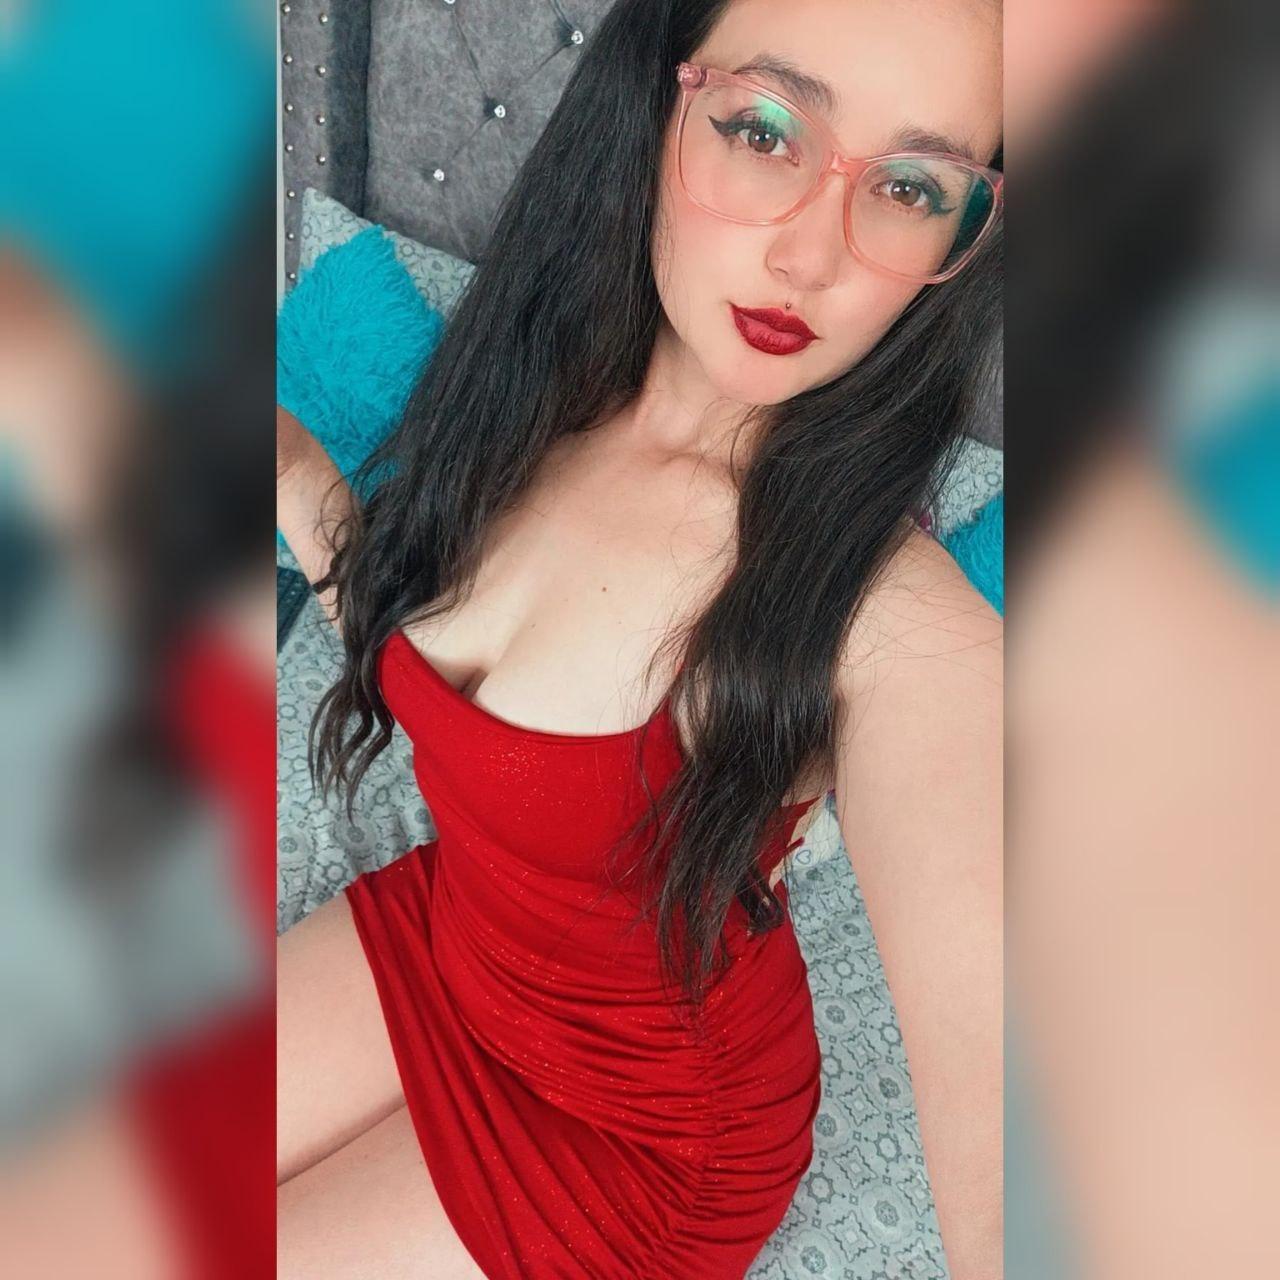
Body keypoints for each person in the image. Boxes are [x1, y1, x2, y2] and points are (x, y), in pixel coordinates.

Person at [276, 1, 1003, 1277]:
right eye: (764, 129)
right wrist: (282, 461)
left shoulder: (890, 619)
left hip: (645, 1136)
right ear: (656, 101)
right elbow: (407, 629)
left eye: (908, 187)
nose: (810, 259)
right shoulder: (528, 403)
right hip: (461, 932)